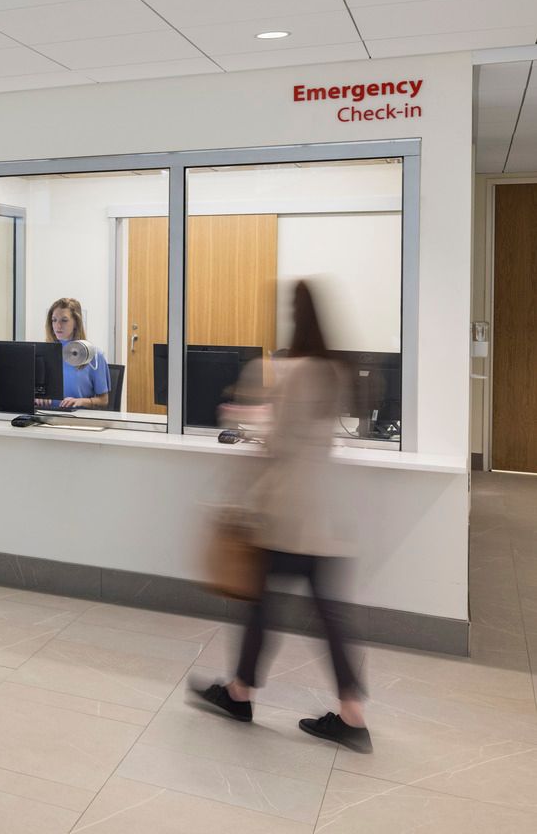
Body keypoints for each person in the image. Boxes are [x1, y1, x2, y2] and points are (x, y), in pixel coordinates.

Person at [191, 280, 370, 753]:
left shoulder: (298, 371)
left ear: (298, 314)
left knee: (262, 603)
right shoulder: (334, 369)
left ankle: (240, 693)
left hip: (289, 512)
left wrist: (245, 425)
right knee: (324, 614)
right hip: (324, 513)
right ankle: (348, 713)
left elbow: (282, 443)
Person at [38, 297, 111, 410]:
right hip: (47, 417)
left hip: (78, 419)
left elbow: (103, 400)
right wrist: (37, 397)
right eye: (54, 320)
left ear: (76, 323)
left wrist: (82, 401)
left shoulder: (95, 355)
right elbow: (33, 391)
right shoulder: (43, 353)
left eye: (64, 320)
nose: (58, 326)